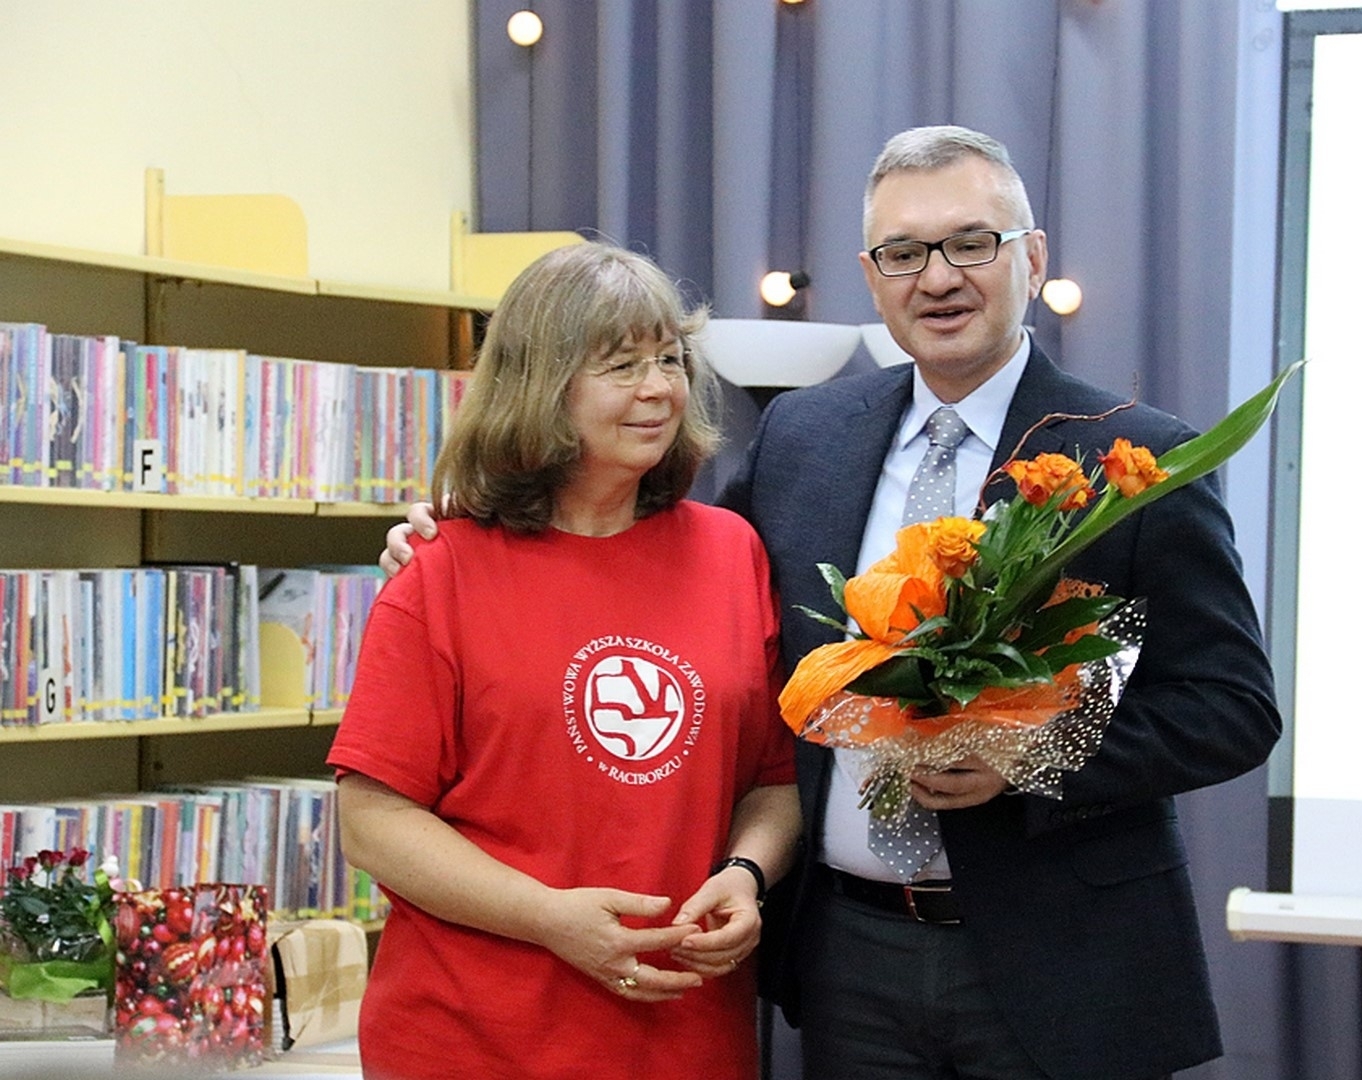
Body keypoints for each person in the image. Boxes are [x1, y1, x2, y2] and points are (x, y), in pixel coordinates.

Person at [387, 126, 1280, 1080]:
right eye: (903, 253)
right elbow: (661, 577)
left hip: (1067, 961)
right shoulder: (803, 437)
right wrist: (469, 525)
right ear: (871, 274)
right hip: (850, 957)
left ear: (1032, 257)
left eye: (969, 243)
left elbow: (1232, 710)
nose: (936, 278)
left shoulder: (1133, 463)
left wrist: (1030, 755)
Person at [337, 241, 799, 1080]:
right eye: (621, 365)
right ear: (539, 385)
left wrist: (745, 872)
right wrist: (549, 918)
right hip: (473, 1039)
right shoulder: (439, 569)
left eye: (669, 359)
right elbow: (371, 821)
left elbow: (774, 777)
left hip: (682, 1039)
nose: (659, 388)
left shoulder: (733, 553)